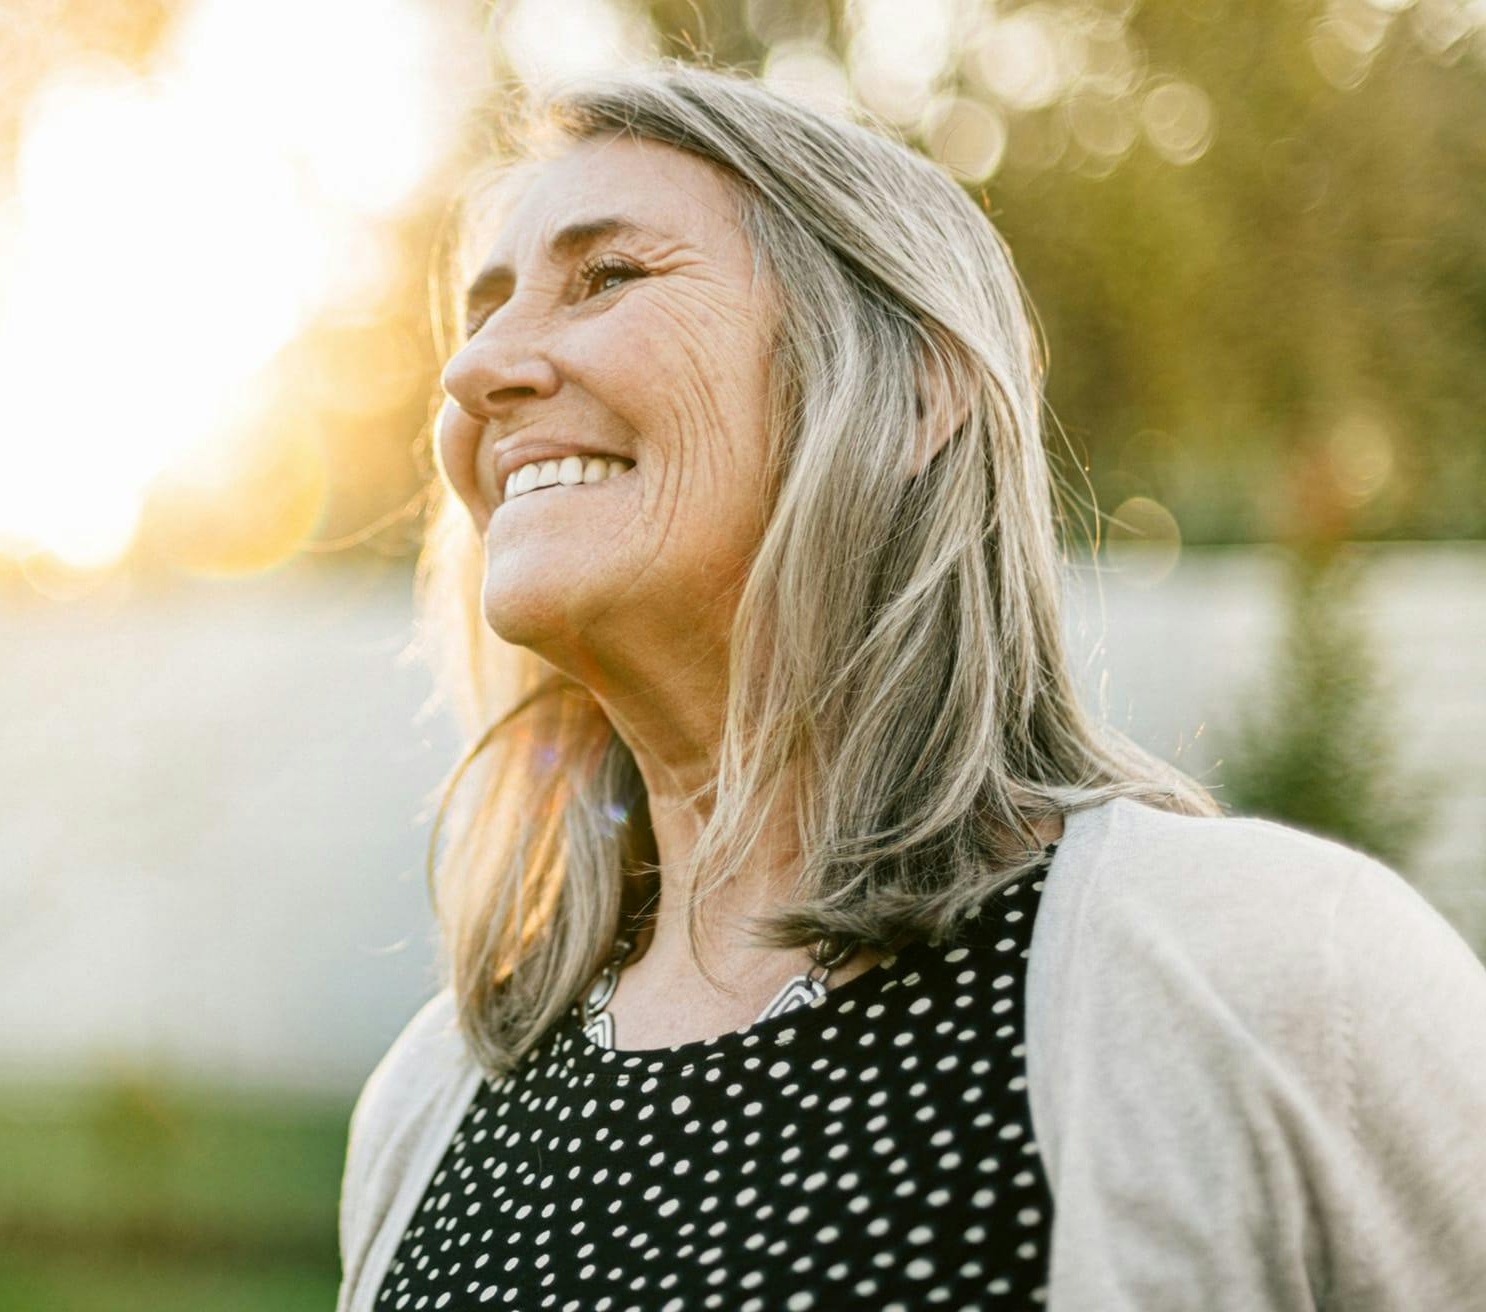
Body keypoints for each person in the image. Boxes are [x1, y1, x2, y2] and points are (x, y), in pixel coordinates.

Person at [336, 62, 1486, 1311]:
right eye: (483, 313)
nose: (473, 372)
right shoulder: (433, 1098)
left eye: (607, 275)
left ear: (915, 390)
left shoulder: (1264, 970)